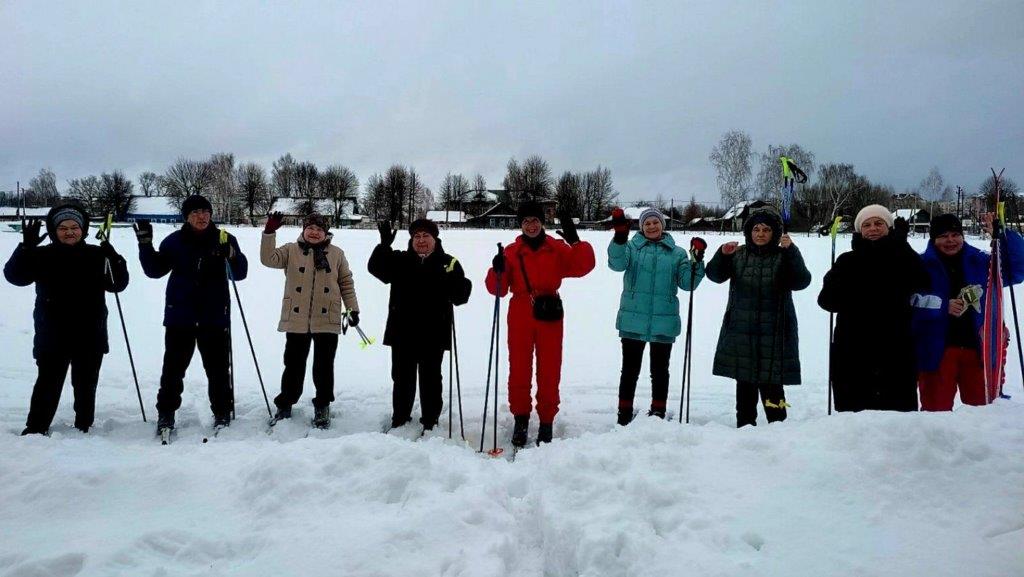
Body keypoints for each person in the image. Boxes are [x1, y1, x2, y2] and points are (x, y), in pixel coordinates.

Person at [4, 203, 129, 435]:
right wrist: (24, 248)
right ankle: (36, 427)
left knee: (86, 384)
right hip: (52, 333)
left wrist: (116, 259)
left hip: (90, 332)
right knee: (47, 383)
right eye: (63, 227)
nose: (69, 232)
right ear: (53, 230)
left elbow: (117, 284)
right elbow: (15, 277)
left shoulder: (96, 254)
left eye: (74, 227)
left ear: (83, 229)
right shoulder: (41, 255)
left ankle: (84, 425)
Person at [485, 201, 595, 447]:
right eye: (526, 221)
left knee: (549, 368)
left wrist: (575, 242)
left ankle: (546, 421)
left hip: (549, 312)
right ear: (520, 225)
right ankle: (520, 419)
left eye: (535, 220)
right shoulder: (511, 252)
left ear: (541, 222)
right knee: (519, 368)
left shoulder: (556, 248)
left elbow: (583, 266)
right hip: (521, 312)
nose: (531, 225)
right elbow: (497, 289)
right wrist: (497, 270)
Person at [135, 194, 247, 434]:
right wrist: (145, 244)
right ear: (186, 216)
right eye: (195, 212)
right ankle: (166, 413)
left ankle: (222, 412)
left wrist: (232, 254)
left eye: (205, 211)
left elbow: (239, 273)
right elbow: (154, 270)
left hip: (214, 316)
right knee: (173, 369)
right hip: (180, 316)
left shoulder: (224, 238)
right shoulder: (174, 242)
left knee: (218, 370)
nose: (201, 216)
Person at [704, 206, 811, 427]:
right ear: (749, 232)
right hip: (742, 333)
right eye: (756, 229)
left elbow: (802, 281)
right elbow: (714, 275)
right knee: (745, 389)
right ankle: (744, 431)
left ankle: (779, 429)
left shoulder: (783, 256)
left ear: (775, 233)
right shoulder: (738, 255)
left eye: (766, 229)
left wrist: (792, 251)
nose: (760, 233)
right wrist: (722, 255)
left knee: (774, 392)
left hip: (775, 334)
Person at [818, 205, 929, 412]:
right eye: (867, 225)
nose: (873, 229)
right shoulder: (847, 261)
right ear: (860, 231)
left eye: (879, 223)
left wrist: (903, 246)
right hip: (853, 350)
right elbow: (826, 301)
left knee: (897, 418)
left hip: (896, 349)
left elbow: (923, 281)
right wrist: (846, 290)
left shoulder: (902, 257)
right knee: (854, 416)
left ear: (889, 228)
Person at [912, 213, 1024, 410]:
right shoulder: (920, 266)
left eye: (955, 234)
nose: (950, 240)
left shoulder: (981, 262)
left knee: (984, 412)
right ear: (933, 238)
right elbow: (909, 302)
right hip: (936, 351)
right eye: (943, 236)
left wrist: (1003, 237)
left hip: (978, 350)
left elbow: (1016, 269)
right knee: (935, 413)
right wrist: (942, 306)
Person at [368, 218, 471, 431]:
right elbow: (375, 268)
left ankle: (430, 419)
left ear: (435, 239)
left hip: (434, 333)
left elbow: (461, 296)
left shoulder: (448, 263)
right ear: (411, 239)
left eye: (426, 236)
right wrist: (384, 246)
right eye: (417, 236)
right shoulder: (400, 260)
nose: (421, 240)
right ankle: (400, 417)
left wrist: (458, 283)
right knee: (402, 377)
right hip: (402, 332)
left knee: (431, 378)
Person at [607, 207, 705, 425]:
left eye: (655, 222)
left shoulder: (677, 253)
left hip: (664, 320)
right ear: (642, 227)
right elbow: (616, 264)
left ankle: (658, 411)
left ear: (662, 225)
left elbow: (688, 283)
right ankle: (624, 413)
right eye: (647, 223)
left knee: (660, 370)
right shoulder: (632, 248)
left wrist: (697, 260)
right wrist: (620, 238)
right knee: (630, 370)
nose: (652, 227)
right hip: (634, 318)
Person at [261, 212, 359, 429]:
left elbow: (346, 283)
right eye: (310, 228)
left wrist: (352, 309)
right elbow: (268, 259)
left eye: (319, 229)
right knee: (293, 364)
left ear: (326, 233)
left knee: (324, 366)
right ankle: (285, 403)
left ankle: (323, 404)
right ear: (304, 229)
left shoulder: (336, 254)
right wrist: (269, 233)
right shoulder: (290, 250)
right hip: (297, 317)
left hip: (327, 316)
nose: (314, 232)